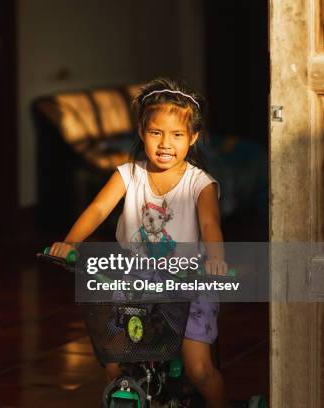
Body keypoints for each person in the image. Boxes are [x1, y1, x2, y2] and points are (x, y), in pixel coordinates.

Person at [49, 78, 229, 408]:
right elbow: (99, 208)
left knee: (198, 367)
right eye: (156, 132)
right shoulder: (128, 174)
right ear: (142, 133)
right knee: (115, 360)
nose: (165, 143)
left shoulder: (199, 184)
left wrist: (216, 258)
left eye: (177, 135)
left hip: (189, 281)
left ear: (193, 138)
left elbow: (209, 224)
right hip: (137, 278)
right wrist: (70, 242)